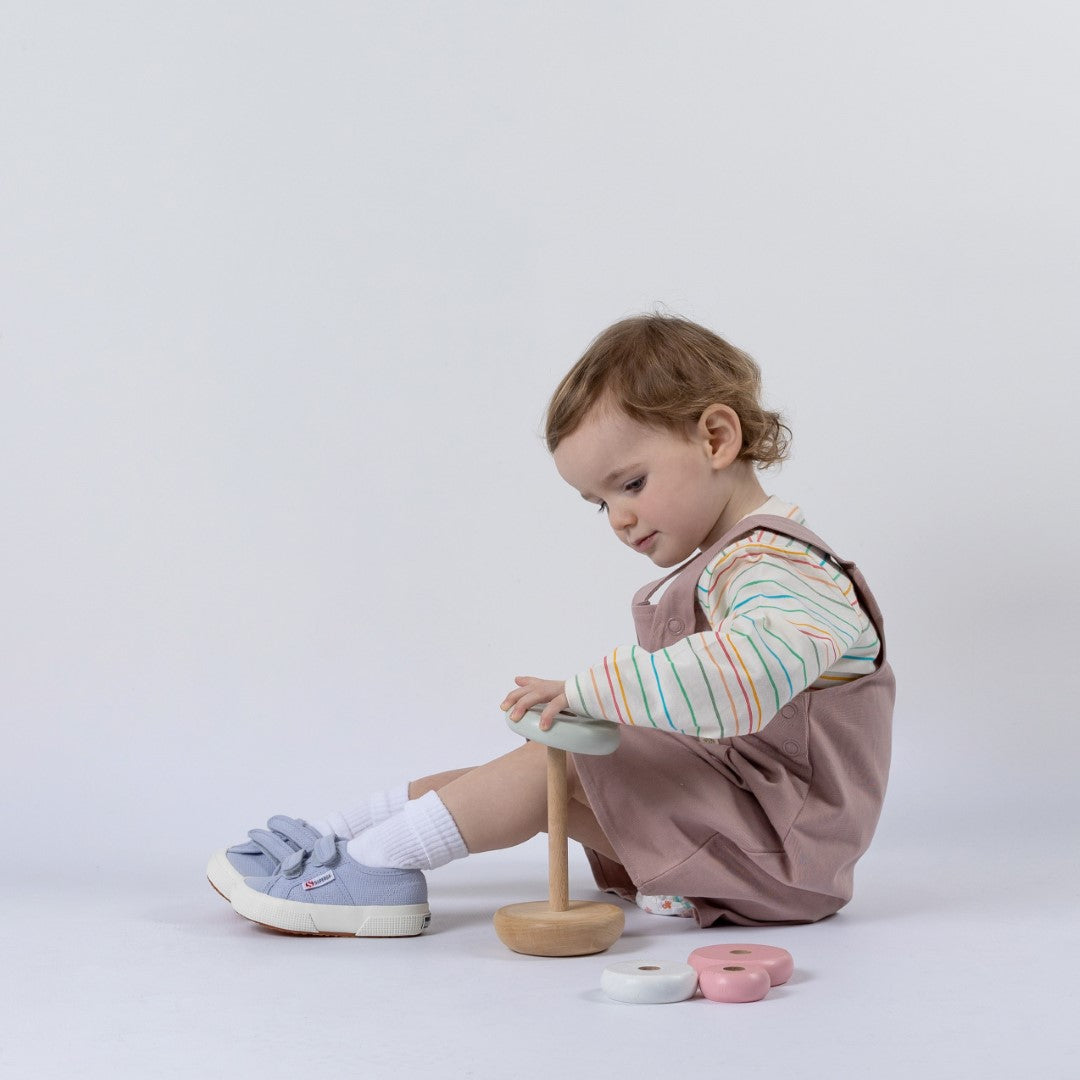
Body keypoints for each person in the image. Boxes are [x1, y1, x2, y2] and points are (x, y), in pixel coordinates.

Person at [207, 314, 895, 935]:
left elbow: (739, 678)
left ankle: (373, 867)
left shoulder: (781, 569)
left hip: (784, 850)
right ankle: (336, 839)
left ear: (716, 437)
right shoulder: (734, 563)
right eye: (599, 503)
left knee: (555, 767)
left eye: (630, 485)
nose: (620, 518)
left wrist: (591, 689)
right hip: (748, 824)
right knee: (549, 762)